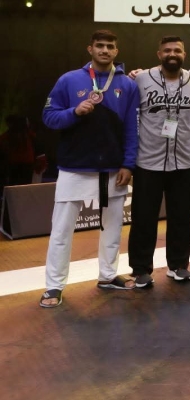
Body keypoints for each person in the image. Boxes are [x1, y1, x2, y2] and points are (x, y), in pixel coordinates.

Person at [39, 30, 139, 308]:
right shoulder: (69, 80)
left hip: (111, 168)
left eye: (110, 46)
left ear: (116, 51)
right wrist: (74, 112)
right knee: (61, 230)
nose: (105, 50)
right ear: (90, 49)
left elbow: (132, 128)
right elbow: (48, 117)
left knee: (113, 227)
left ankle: (107, 276)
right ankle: (54, 286)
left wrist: (128, 164)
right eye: (100, 46)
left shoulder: (127, 85)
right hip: (74, 167)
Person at [128, 36, 190, 286]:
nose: (173, 54)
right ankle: (140, 269)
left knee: (181, 217)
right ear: (159, 54)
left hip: (183, 161)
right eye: (168, 50)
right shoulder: (141, 79)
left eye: (177, 50)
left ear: (184, 54)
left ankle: (178, 265)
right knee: (143, 218)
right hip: (148, 161)